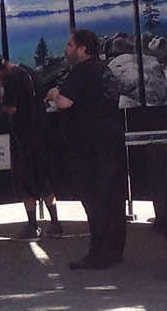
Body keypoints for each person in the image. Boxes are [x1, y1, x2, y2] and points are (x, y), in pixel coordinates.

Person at [46, 29, 126, 269]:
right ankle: (114, 250)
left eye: (70, 45)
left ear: (82, 49)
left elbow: (63, 101)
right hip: (110, 143)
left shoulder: (82, 70)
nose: (66, 49)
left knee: (95, 200)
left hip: (90, 148)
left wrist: (53, 92)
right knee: (112, 199)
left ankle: (99, 253)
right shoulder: (103, 69)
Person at [0, 55, 61, 240]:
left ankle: (32, 225)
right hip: (40, 131)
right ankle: (55, 222)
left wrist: (0, 100)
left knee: (24, 181)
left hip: (23, 136)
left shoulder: (10, 78)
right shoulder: (28, 70)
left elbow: (11, 109)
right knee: (43, 178)